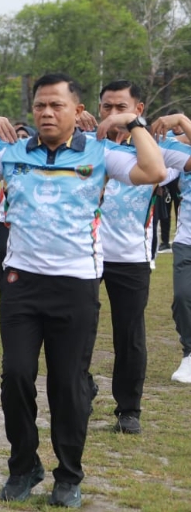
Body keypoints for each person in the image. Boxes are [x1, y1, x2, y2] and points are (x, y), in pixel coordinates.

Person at [0, 73, 166, 508]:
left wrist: (131, 122)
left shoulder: (100, 154)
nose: (47, 112)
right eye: (40, 105)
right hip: (21, 284)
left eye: (57, 105)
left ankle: (69, 474)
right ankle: (24, 466)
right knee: (17, 377)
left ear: (75, 110)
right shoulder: (12, 155)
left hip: (77, 283)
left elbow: (154, 170)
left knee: (68, 384)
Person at [90, 81, 191, 435]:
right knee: (74, 328)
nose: (113, 114)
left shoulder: (159, 149)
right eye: (107, 107)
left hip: (130, 257)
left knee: (129, 335)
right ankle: (81, 387)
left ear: (140, 108)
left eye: (122, 107)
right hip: (83, 254)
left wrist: (182, 121)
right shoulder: (88, 144)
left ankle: (128, 410)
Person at [153, 111, 191, 385]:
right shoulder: (178, 148)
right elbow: (158, 173)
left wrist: (181, 121)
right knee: (182, 298)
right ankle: (190, 353)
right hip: (186, 240)